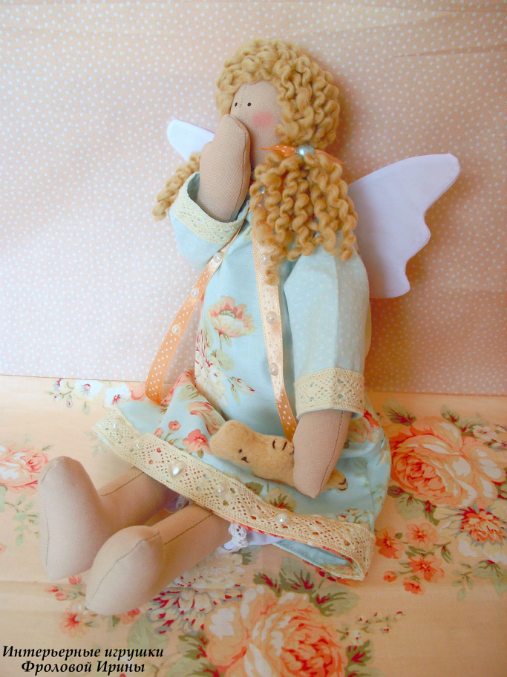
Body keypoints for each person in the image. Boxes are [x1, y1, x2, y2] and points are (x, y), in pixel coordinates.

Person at [38, 38, 390, 616]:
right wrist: (226, 156)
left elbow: (335, 333)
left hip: (280, 431)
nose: (240, 120)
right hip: (212, 400)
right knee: (173, 458)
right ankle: (99, 517)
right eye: (235, 109)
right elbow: (198, 237)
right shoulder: (242, 217)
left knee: (232, 499)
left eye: (255, 112)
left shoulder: (320, 244)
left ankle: (154, 555)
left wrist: (315, 443)